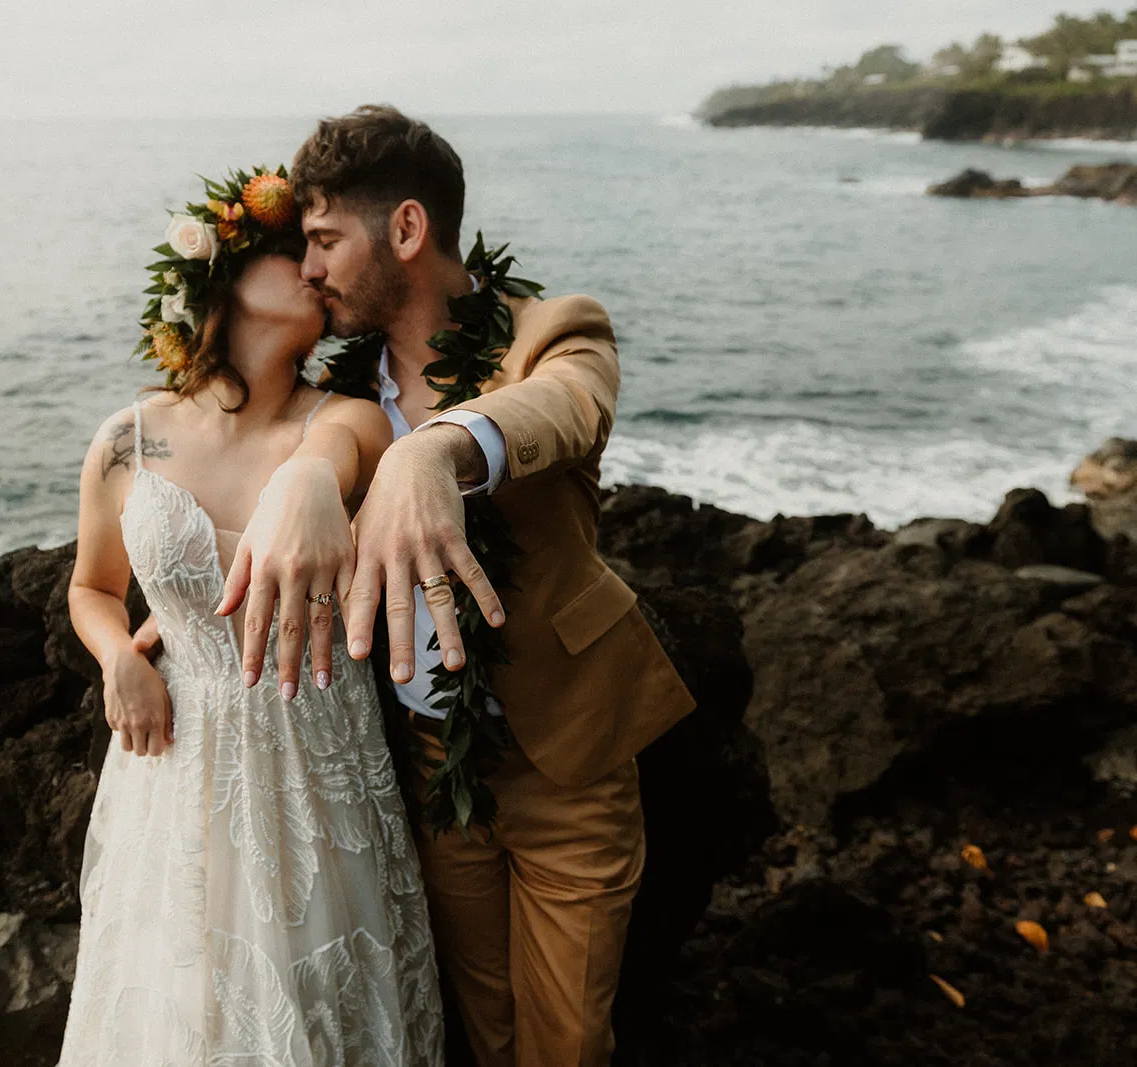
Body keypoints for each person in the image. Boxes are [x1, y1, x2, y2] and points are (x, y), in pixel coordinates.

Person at [215, 108, 698, 1066]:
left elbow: (567, 405)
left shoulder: (549, 332)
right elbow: (271, 490)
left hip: (568, 758)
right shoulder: (340, 392)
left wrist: (436, 449)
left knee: (566, 1041)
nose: (307, 270)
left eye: (323, 241)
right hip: (431, 765)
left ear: (405, 229)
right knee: (478, 1023)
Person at [58, 166, 444, 1066]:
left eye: (321, 249)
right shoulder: (131, 437)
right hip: (179, 765)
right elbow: (91, 588)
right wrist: (120, 655)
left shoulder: (347, 420)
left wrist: (313, 474)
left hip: (318, 761)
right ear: (225, 277)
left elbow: (343, 450)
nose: (313, 267)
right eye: (288, 249)